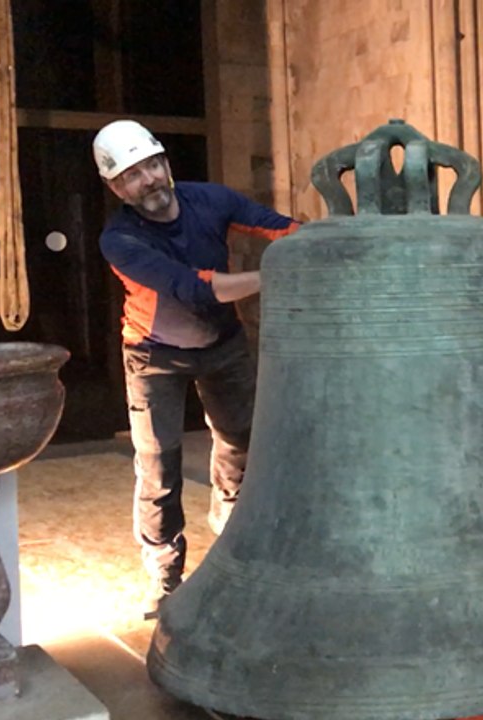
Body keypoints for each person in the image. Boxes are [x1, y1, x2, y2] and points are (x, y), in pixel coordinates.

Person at [91, 119, 300, 618]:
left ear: (166, 163)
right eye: (134, 175)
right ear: (117, 187)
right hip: (153, 356)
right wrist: (280, 271)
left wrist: (322, 242)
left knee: (241, 438)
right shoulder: (119, 240)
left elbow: (278, 226)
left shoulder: (212, 200)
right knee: (159, 465)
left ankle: (231, 526)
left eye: (154, 166)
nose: (150, 181)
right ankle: (165, 577)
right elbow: (194, 288)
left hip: (221, 343)